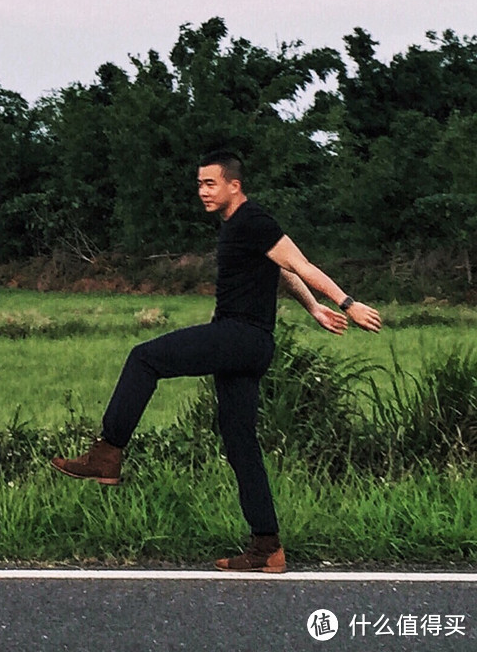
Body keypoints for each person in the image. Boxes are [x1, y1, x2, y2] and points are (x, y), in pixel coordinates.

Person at [51, 150, 382, 573]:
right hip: (248, 342)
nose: (202, 191)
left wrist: (346, 302)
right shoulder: (237, 227)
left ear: (233, 186)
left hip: (240, 336)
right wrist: (314, 308)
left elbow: (300, 263)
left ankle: (107, 452)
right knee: (240, 441)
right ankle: (268, 547)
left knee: (144, 358)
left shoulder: (253, 220)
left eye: (210, 184)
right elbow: (283, 272)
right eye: (199, 184)